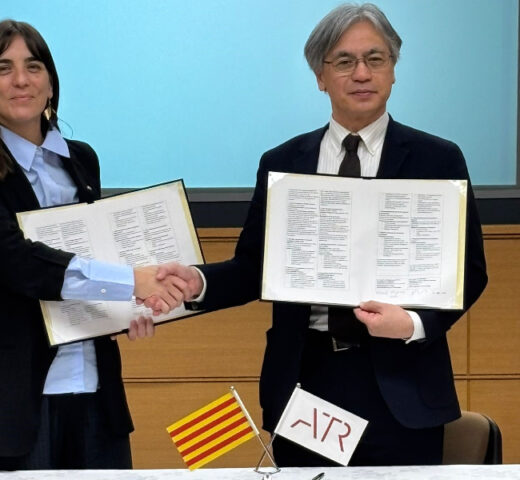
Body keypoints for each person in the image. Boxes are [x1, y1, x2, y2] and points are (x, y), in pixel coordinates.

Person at [155, 3, 488, 466]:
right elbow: (254, 267)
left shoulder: (438, 159)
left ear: (393, 70)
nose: (362, 73)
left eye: (375, 59)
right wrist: (200, 282)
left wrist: (413, 324)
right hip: (306, 382)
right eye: (344, 61)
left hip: (404, 382)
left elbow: (469, 271)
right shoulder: (283, 162)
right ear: (320, 76)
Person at [0, 20, 185, 470]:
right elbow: (20, 264)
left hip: (94, 387)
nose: (21, 80)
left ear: (51, 84)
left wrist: (128, 310)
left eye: (33, 66)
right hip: (13, 399)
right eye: (3, 68)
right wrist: (130, 281)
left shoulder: (82, 160)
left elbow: (97, 251)